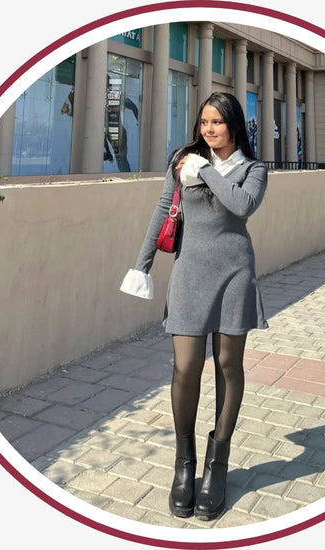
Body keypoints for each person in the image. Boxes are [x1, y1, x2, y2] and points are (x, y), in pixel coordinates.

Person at [120, 92, 268, 521]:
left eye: (217, 122)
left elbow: (241, 205)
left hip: (235, 274)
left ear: (234, 125)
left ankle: (217, 466)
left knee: (228, 366)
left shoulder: (253, 169)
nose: (209, 129)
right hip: (189, 274)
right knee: (185, 367)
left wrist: (204, 171)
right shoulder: (181, 161)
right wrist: (142, 264)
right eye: (204, 122)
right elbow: (162, 210)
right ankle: (184, 462)